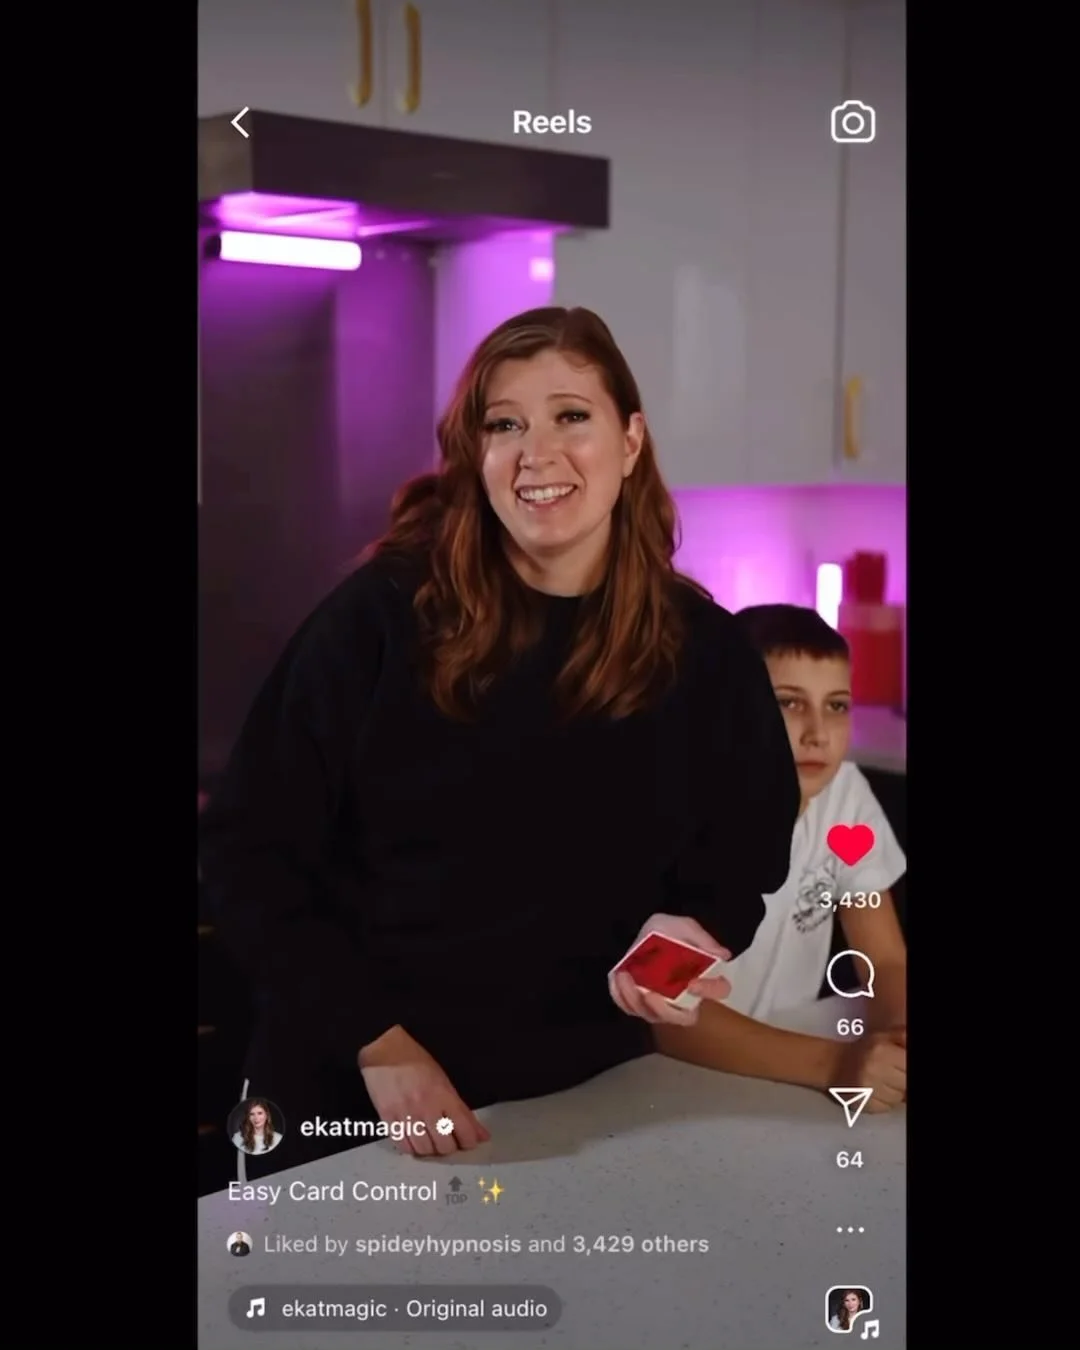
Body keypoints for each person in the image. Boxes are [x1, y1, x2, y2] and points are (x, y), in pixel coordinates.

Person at [199, 306, 800, 1176]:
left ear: (631, 441)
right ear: (474, 454)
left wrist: (689, 932)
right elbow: (246, 850)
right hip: (355, 1095)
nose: (535, 454)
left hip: (585, 1098)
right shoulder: (381, 617)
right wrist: (376, 1041)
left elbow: (742, 849)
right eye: (504, 425)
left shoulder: (704, 652)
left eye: (571, 416)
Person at [655, 606, 907, 1112]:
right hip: (678, 1089)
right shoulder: (682, 819)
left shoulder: (844, 795)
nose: (818, 733)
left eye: (836, 706)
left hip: (780, 1085)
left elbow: (883, 959)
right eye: (789, 703)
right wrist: (836, 1064)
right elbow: (665, 1014)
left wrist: (900, 1040)